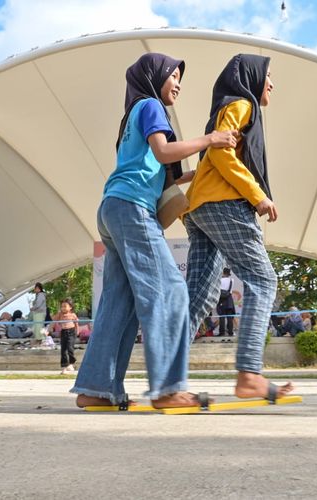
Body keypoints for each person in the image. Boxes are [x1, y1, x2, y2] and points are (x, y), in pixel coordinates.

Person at [70, 52, 237, 410]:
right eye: (173, 75)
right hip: (132, 209)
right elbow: (164, 153)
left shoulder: (130, 117)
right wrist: (210, 139)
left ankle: (95, 389)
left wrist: (208, 168)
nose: (178, 83)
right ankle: (167, 388)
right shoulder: (150, 105)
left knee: (119, 302)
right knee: (171, 290)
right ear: (155, 76)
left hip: (113, 208)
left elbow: (169, 175)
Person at [184, 53, 293, 401]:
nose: (272, 84)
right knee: (263, 280)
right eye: (268, 76)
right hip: (224, 204)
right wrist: (257, 195)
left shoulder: (229, 107)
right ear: (251, 77)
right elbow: (220, 153)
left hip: (201, 207)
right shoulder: (242, 104)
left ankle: (167, 380)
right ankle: (249, 374)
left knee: (197, 298)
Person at [55, 298, 79, 374]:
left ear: (70, 307)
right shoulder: (60, 315)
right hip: (63, 332)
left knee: (70, 348)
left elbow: (76, 324)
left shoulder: (73, 315)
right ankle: (65, 367)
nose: (63, 308)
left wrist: (77, 331)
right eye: (62, 306)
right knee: (63, 350)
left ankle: (71, 364)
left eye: (65, 306)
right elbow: (53, 320)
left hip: (71, 332)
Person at [216, 268, 236, 336]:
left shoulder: (220, 280)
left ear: (223, 272)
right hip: (229, 299)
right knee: (229, 316)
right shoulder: (232, 280)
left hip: (221, 299)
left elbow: (218, 290)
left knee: (222, 316)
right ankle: (230, 332)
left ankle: (222, 332)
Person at [29, 283, 47, 347]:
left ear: (39, 289)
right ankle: (39, 340)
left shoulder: (40, 295)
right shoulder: (40, 295)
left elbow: (38, 304)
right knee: (38, 327)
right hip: (39, 313)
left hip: (39, 313)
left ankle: (40, 340)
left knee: (38, 327)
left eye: (36, 288)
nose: (35, 290)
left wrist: (32, 308)